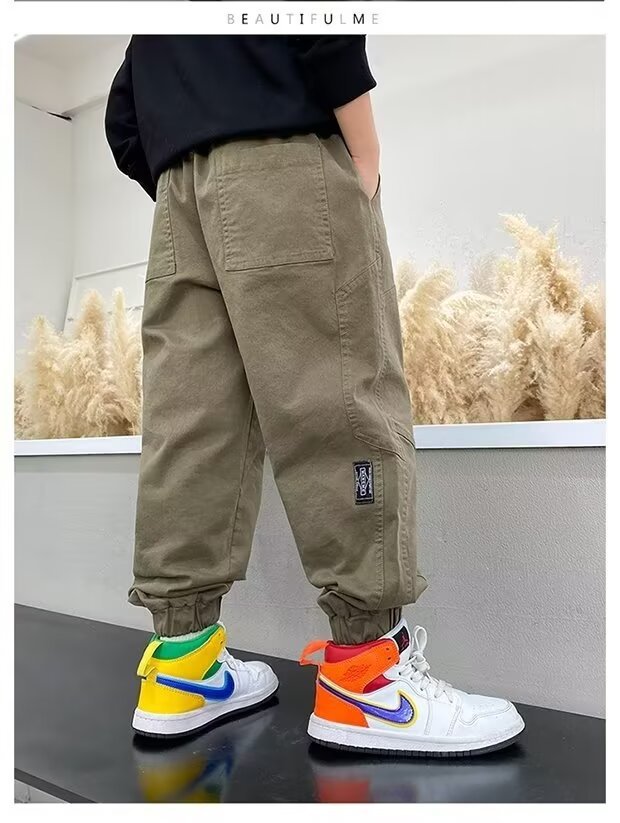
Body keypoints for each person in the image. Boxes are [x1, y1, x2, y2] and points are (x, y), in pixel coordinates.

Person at [106, 34, 524, 755]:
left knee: (190, 428)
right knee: (339, 409)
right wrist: (365, 155)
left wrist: (193, 166)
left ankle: (182, 668)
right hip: (284, 167)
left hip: (179, 196)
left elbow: (123, 118)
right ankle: (368, 680)